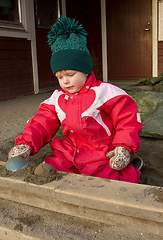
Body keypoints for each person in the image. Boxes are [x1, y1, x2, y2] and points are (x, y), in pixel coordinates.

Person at [8, 16, 143, 183]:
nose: (65, 81)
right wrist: (25, 144)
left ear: (85, 71)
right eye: (60, 76)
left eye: (70, 75)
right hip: (72, 149)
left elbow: (127, 119)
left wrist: (123, 147)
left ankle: (133, 168)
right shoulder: (57, 98)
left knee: (106, 177)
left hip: (101, 151)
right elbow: (41, 123)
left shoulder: (106, 92)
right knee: (51, 167)